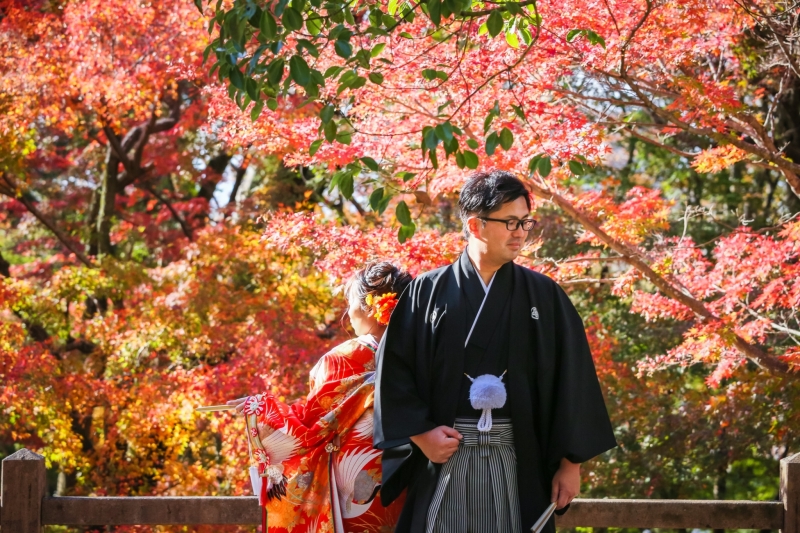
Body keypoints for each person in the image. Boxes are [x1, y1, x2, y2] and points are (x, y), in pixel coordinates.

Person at [373, 170, 617, 533]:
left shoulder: (544, 296)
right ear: (476, 225)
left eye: (525, 222)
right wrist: (421, 435)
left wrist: (570, 464)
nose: (521, 232)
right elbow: (394, 372)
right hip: (445, 452)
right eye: (511, 222)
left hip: (518, 455)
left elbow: (573, 378)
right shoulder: (427, 292)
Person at [228, 261, 412, 533]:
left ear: (370, 307)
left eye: (350, 303)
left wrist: (260, 408)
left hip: (355, 483)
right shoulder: (419, 353)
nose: (348, 313)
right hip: (406, 474)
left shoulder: (343, 359)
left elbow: (310, 423)